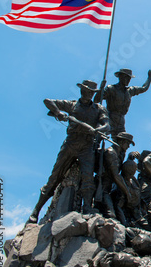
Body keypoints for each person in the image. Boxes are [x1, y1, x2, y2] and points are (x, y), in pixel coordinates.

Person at [28, 80, 109, 224]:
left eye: (91, 92)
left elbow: (107, 125)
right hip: (70, 144)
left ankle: (87, 207)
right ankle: (36, 210)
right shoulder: (71, 105)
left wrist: (98, 130)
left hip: (86, 146)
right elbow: (48, 101)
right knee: (55, 176)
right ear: (81, 91)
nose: (88, 93)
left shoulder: (99, 109)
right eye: (86, 90)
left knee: (88, 177)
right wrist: (58, 113)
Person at [95, 67, 151, 137]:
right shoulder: (111, 88)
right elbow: (96, 100)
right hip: (110, 118)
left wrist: (150, 77)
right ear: (120, 77)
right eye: (126, 78)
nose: (128, 80)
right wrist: (101, 89)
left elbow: (143, 88)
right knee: (100, 134)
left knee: (123, 141)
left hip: (121, 121)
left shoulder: (129, 91)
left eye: (129, 78)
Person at [98, 132, 136, 219]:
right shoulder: (111, 153)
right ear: (122, 142)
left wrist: (130, 157)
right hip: (103, 190)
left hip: (109, 190)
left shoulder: (119, 154)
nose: (128, 146)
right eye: (128, 143)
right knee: (111, 216)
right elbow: (116, 176)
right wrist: (127, 192)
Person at [114, 158, 149, 230]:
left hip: (138, 210)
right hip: (130, 214)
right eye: (132, 172)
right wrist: (125, 223)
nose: (133, 173)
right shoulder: (121, 186)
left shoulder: (133, 180)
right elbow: (118, 206)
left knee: (149, 225)